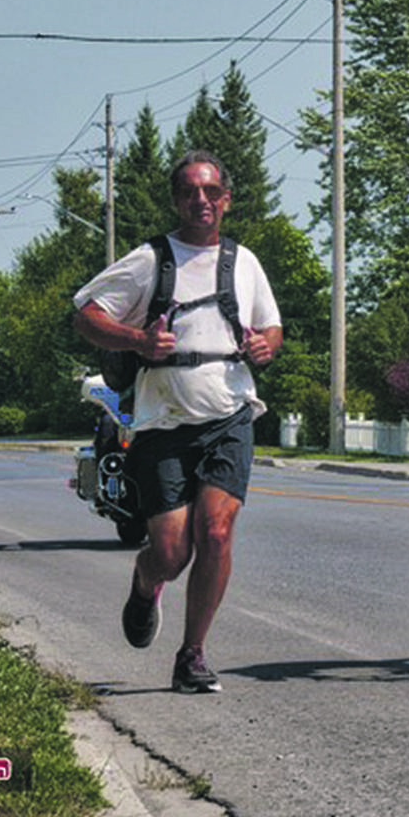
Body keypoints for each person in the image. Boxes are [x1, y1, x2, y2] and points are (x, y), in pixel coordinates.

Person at [73, 150, 282, 693]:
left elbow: (271, 327)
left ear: (227, 200)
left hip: (230, 412)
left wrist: (264, 345)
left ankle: (192, 654)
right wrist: (139, 339)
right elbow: (88, 313)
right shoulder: (151, 259)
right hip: (163, 420)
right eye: (190, 191)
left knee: (216, 532)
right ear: (176, 199)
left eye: (212, 192)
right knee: (171, 550)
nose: (202, 201)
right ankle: (146, 585)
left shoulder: (245, 263)